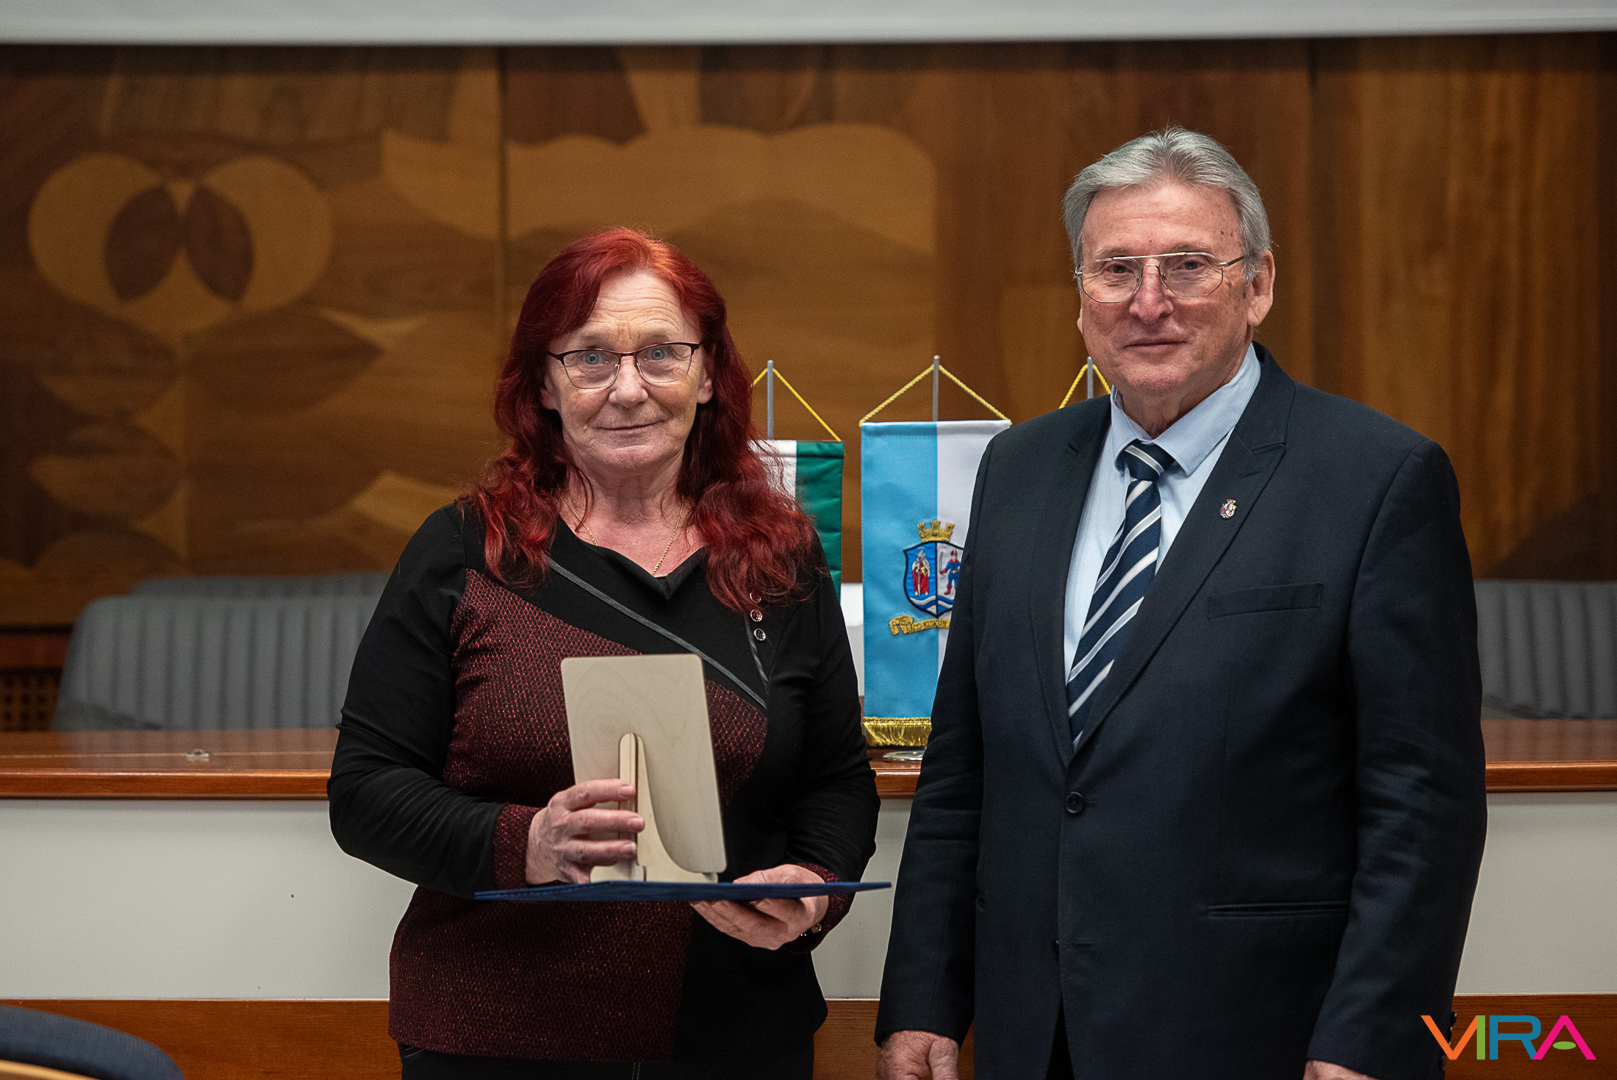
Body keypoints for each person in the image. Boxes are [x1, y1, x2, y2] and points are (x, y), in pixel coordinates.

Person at [875, 128, 1487, 1080]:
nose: (1147, 302)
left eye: (1188, 266)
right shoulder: (1017, 469)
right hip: (1033, 1032)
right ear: (1080, 296)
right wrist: (923, 998)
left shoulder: (1375, 478)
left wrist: (1369, 1039)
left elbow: (1421, 799)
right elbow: (965, 767)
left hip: (1258, 1033)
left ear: (1258, 284)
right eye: (1115, 269)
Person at [329, 227, 879, 1079]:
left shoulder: (780, 557)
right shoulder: (464, 551)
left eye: (660, 353)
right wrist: (529, 841)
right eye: (589, 357)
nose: (627, 389)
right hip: (496, 1036)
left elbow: (836, 779)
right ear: (543, 384)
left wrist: (812, 885)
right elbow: (367, 792)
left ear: (707, 374)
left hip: (736, 1028)